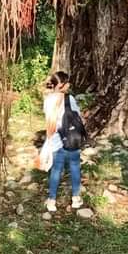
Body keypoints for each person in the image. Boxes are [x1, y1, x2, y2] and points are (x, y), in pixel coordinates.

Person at [39, 71, 83, 212]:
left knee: (56, 170)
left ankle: (52, 200)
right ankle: (75, 198)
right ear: (62, 85)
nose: (69, 84)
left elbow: (48, 119)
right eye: (67, 82)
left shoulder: (47, 100)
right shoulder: (70, 99)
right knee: (75, 167)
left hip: (55, 140)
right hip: (71, 139)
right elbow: (77, 116)